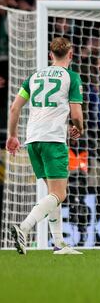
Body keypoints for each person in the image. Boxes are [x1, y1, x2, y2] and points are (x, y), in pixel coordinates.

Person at [6, 38, 84, 255]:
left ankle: (59, 243)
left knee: (52, 193)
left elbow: (14, 108)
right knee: (60, 194)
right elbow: (76, 114)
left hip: (33, 140)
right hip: (53, 140)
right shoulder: (71, 77)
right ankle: (24, 227)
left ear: (51, 55)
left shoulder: (33, 77)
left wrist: (12, 135)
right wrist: (80, 127)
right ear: (70, 54)